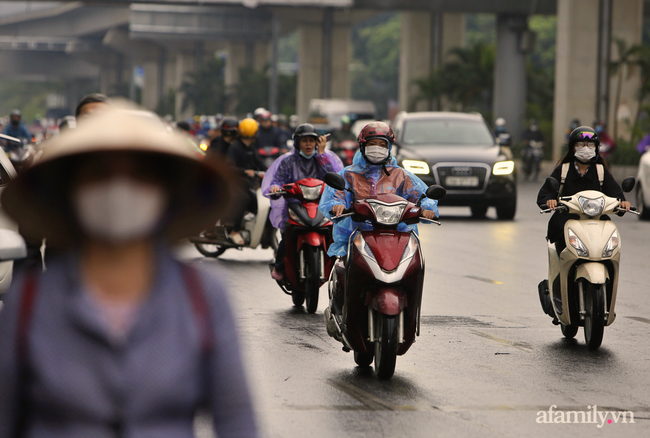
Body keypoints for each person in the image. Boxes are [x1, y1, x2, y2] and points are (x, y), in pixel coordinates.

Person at [0, 103, 257, 437]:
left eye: (139, 174)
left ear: (166, 191)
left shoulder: (203, 296)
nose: (119, 188)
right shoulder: (30, 301)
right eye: (100, 173)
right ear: (71, 190)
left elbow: (237, 421)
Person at [319, 121, 439, 259]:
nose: (377, 148)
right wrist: (336, 206)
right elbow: (334, 195)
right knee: (343, 270)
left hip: (398, 234)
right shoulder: (348, 174)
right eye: (372, 144)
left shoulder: (401, 175)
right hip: (357, 234)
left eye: (382, 145)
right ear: (363, 146)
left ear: (388, 148)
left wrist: (426, 207)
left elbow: (421, 195)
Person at [263, 124, 344, 280]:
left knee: (332, 231)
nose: (308, 144)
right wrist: (274, 188)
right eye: (304, 140)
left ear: (317, 143)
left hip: (320, 205)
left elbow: (331, 178)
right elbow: (277, 180)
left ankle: (336, 265)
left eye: (312, 141)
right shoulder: (288, 162)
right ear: (297, 142)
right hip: (294, 205)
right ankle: (279, 266)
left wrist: (321, 155)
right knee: (287, 233)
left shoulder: (323, 159)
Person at [537, 126, 630, 256]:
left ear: (596, 148)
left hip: (597, 220)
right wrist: (549, 201)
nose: (586, 148)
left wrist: (623, 203)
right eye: (581, 144)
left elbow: (617, 195)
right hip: (566, 220)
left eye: (590, 144)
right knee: (559, 235)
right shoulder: (562, 170)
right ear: (573, 147)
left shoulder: (601, 172)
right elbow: (544, 194)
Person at [226, 118, 267, 245]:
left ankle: (246, 227)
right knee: (244, 199)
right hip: (234, 184)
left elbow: (259, 163)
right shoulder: (235, 148)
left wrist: (271, 171)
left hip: (245, 184)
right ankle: (233, 230)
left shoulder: (249, 148)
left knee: (256, 204)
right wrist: (244, 171)